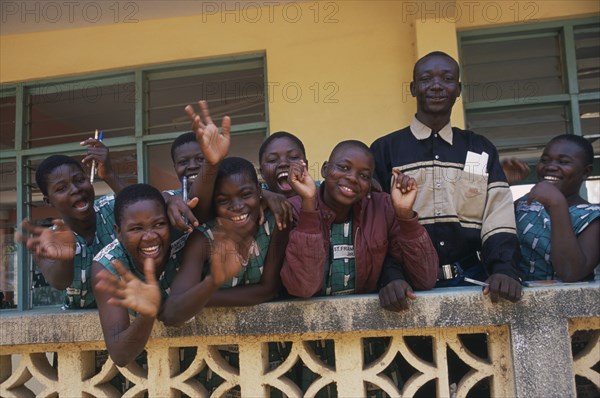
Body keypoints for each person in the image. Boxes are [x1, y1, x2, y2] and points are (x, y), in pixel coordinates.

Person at [370, 51, 523, 304]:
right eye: (426, 78)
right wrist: (390, 276)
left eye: (447, 79)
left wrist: (504, 270)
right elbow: (375, 222)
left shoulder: (479, 149)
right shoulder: (385, 150)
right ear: (413, 88)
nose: (437, 86)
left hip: (473, 280)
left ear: (458, 89)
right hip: (405, 285)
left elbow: (498, 215)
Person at [15, 141, 125, 309]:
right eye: (61, 188)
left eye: (80, 180)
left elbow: (143, 208)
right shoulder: (50, 240)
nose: (75, 189)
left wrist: (109, 174)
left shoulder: (113, 206)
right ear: (48, 201)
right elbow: (58, 282)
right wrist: (65, 256)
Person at [91, 183, 190, 366]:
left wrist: (171, 197)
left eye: (159, 224)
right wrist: (147, 313)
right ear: (118, 232)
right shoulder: (108, 266)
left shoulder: (184, 233)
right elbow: (120, 355)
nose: (150, 236)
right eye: (137, 229)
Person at [503, 134, 600, 281]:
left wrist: (557, 204)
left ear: (586, 172)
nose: (551, 166)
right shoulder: (525, 204)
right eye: (545, 160)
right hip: (513, 299)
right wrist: (502, 183)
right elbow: (483, 229)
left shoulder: (593, 217)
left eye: (564, 161)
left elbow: (570, 273)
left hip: (567, 302)